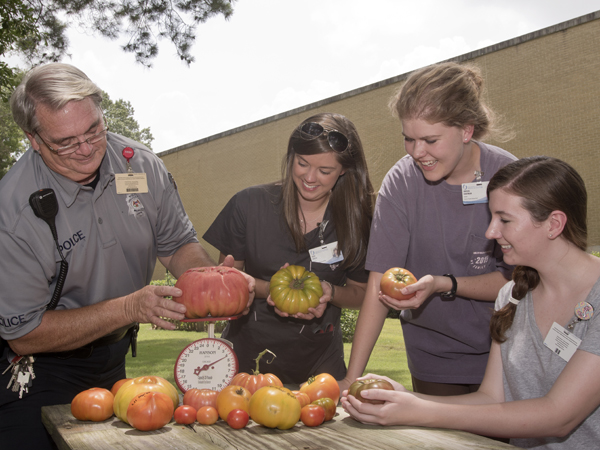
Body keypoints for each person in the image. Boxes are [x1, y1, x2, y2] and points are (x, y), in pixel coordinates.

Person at [0, 63, 255, 449]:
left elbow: (177, 244)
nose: (86, 150)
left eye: (93, 130)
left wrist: (212, 281)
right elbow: (23, 334)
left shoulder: (141, 165)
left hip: (113, 358)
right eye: (66, 143)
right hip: (36, 372)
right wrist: (129, 309)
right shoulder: (12, 210)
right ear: (34, 139)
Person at [341, 156, 600, 448]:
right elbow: (491, 398)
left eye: (504, 219)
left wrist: (422, 412)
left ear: (554, 224)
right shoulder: (513, 295)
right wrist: (405, 398)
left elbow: (558, 415)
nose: (491, 232)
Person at [340, 62, 517, 396]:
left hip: (505, 350)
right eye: (409, 139)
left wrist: (445, 284)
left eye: (430, 140)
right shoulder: (402, 182)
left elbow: (518, 281)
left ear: (467, 130)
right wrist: (352, 376)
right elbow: (381, 280)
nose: (418, 153)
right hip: (434, 357)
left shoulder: (508, 174)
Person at [203, 112, 374, 384]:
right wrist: (271, 289)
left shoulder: (356, 219)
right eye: (302, 163)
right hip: (246, 363)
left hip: (321, 366)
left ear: (344, 170)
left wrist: (329, 292)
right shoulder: (249, 205)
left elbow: (363, 294)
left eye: (325, 171)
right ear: (291, 156)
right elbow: (231, 283)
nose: (310, 177)